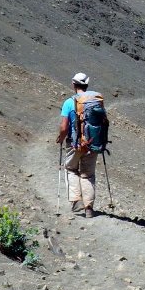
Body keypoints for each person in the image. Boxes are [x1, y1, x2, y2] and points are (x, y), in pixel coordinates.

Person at [57, 72, 98, 218]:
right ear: (86, 85)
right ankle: (89, 208)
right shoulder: (96, 101)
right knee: (88, 174)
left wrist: (61, 138)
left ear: (74, 84)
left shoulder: (69, 102)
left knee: (70, 169)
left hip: (74, 144)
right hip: (93, 144)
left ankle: (76, 200)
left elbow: (64, 127)